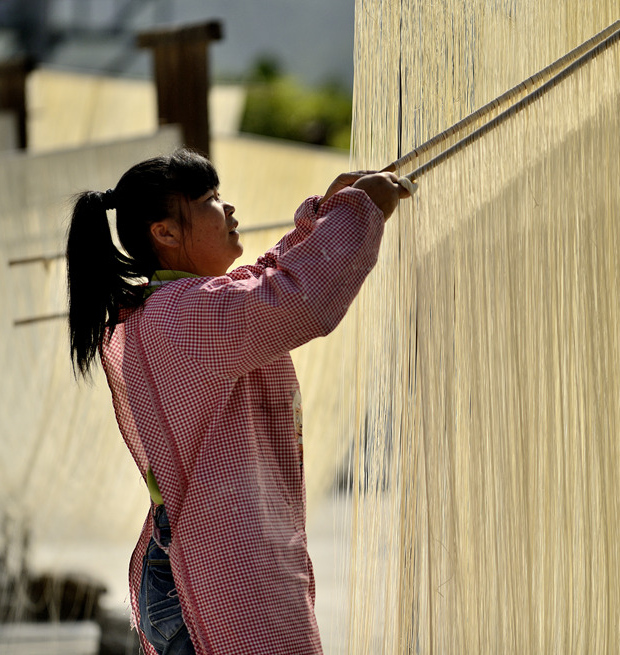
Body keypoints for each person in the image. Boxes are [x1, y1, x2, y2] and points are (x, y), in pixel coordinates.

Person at [65, 148, 410, 654]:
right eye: (209, 200)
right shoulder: (187, 316)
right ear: (165, 233)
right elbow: (295, 298)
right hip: (214, 570)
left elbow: (260, 282)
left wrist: (324, 218)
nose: (228, 209)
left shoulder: (165, 308)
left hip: (187, 564)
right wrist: (360, 213)